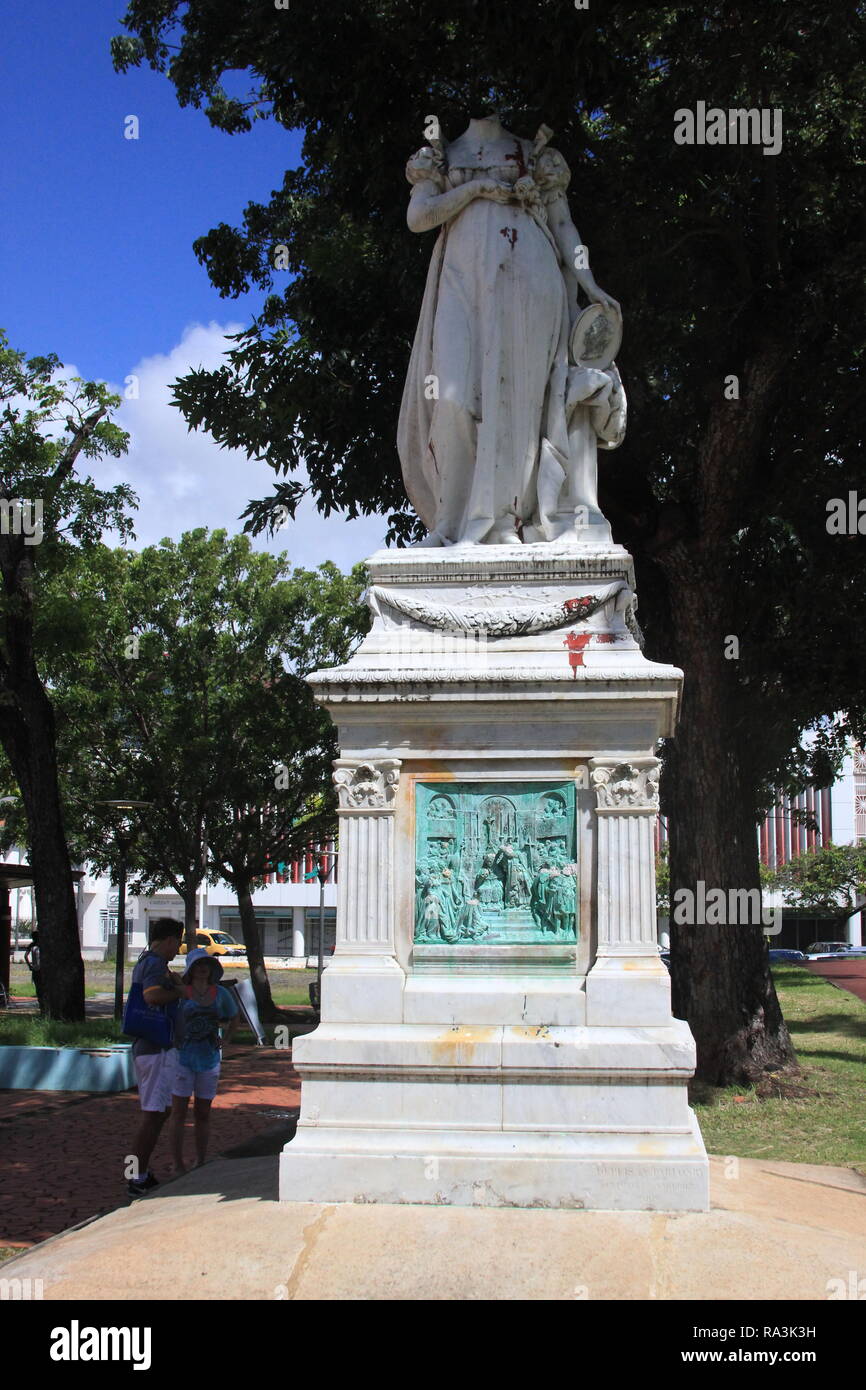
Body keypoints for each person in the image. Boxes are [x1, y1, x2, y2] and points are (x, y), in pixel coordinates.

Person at [398, 111, 624, 547]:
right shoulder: (441, 156)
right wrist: (476, 189)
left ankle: (503, 521)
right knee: (452, 397)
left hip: (530, 278)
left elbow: (562, 223)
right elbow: (419, 217)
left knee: (516, 401)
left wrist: (589, 282)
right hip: (461, 281)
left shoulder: (535, 154)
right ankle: (451, 523)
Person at [127, 918, 184, 1197]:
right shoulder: (154, 964)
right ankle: (135, 1176)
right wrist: (180, 990)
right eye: (178, 943)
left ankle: (139, 1172)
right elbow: (151, 996)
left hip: (156, 1047)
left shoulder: (148, 962)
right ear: (170, 940)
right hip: (155, 1048)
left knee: (160, 1112)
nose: (178, 949)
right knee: (153, 1114)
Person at [169, 949, 238, 1173]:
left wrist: (227, 1039)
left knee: (203, 1112)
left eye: (206, 964)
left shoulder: (220, 993)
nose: (202, 968)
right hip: (182, 1057)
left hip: (209, 1058)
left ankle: (200, 1159)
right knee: (178, 1112)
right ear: (190, 969)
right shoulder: (181, 992)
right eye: (198, 965)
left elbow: (234, 1015)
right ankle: (177, 1162)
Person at [23, 930, 43, 1011]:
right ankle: (42, 1002)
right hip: (40, 969)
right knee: (41, 986)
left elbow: (25, 956)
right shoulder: (41, 945)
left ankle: (41, 1001)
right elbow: (25, 956)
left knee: (38, 986)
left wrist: (30, 966)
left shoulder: (32, 945)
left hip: (35, 969)